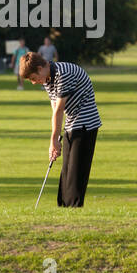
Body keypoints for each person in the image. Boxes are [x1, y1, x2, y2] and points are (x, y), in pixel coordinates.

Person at [19, 51, 100, 207]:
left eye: (34, 78)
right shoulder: (48, 79)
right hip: (71, 123)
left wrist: (53, 140)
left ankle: (74, 208)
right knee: (67, 169)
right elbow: (54, 108)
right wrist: (55, 140)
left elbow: (59, 109)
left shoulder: (64, 74)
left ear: (40, 68)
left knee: (76, 171)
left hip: (86, 123)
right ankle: (63, 207)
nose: (34, 83)